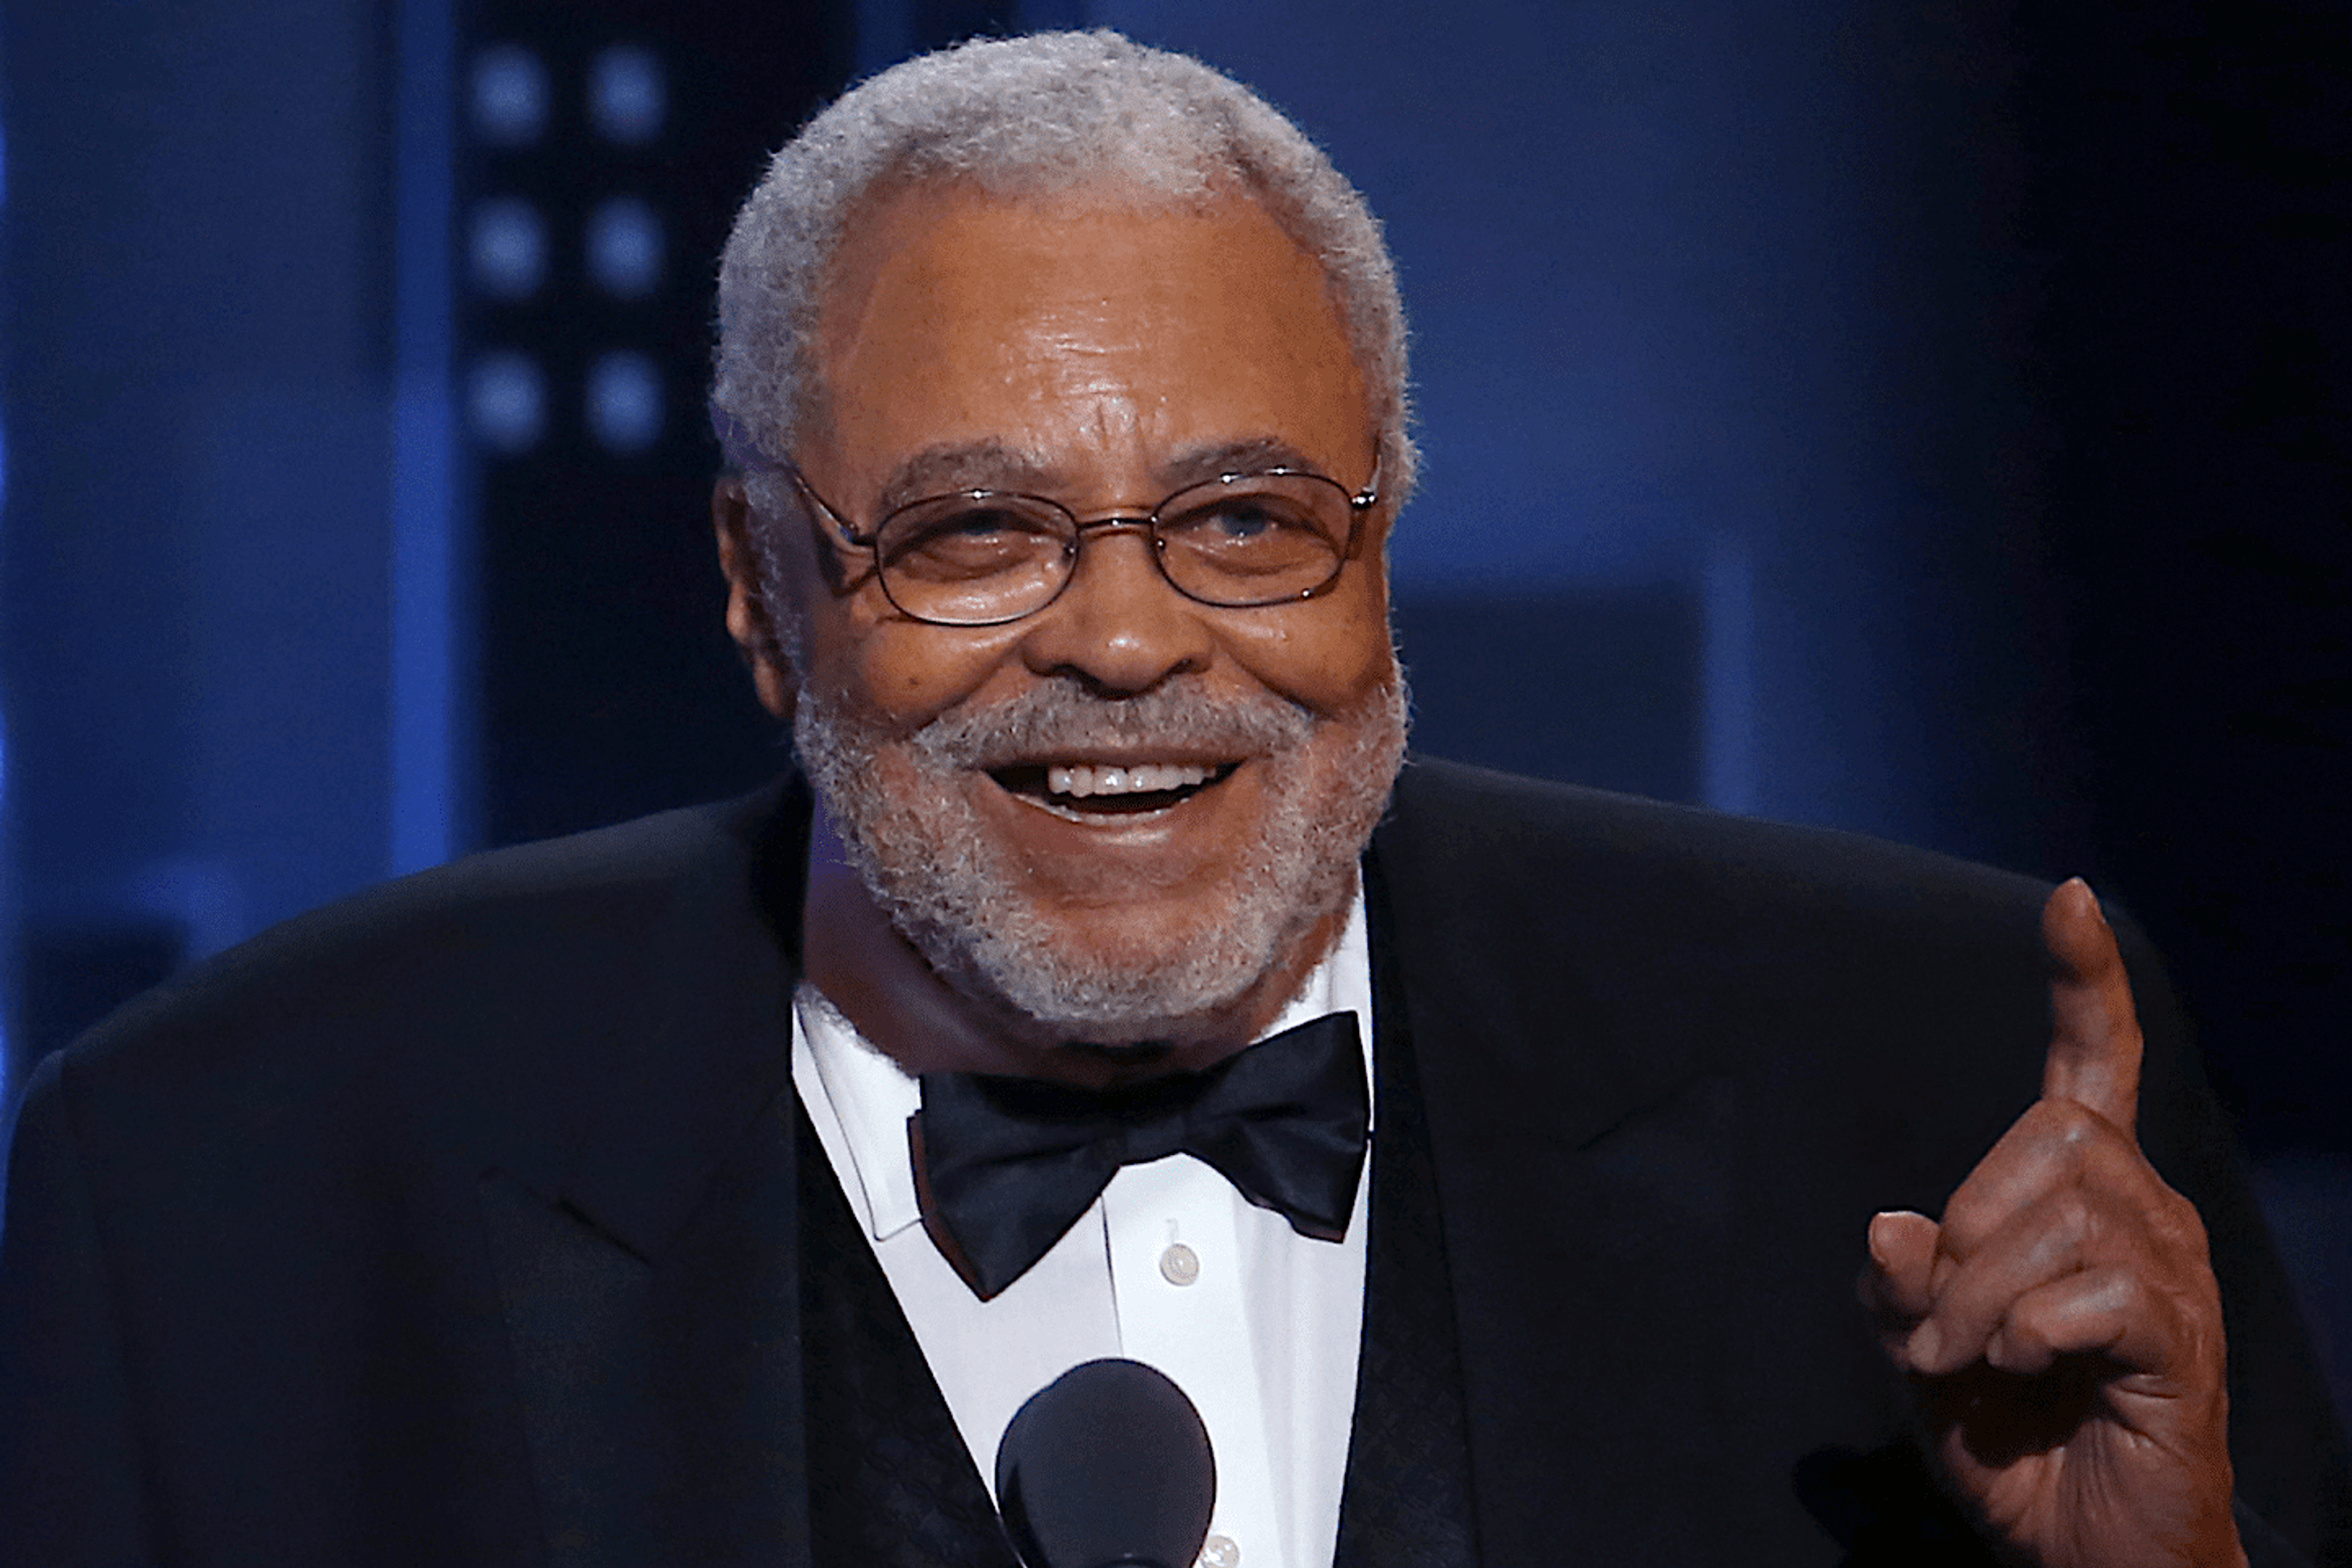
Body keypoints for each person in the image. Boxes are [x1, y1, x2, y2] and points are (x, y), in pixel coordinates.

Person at [1, 28, 2344, 1568]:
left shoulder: (1945, 1083)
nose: (1127, 642)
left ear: (1384, 544)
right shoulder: (226, 1188)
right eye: (971, 531)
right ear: (756, 586)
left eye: (1242, 519)